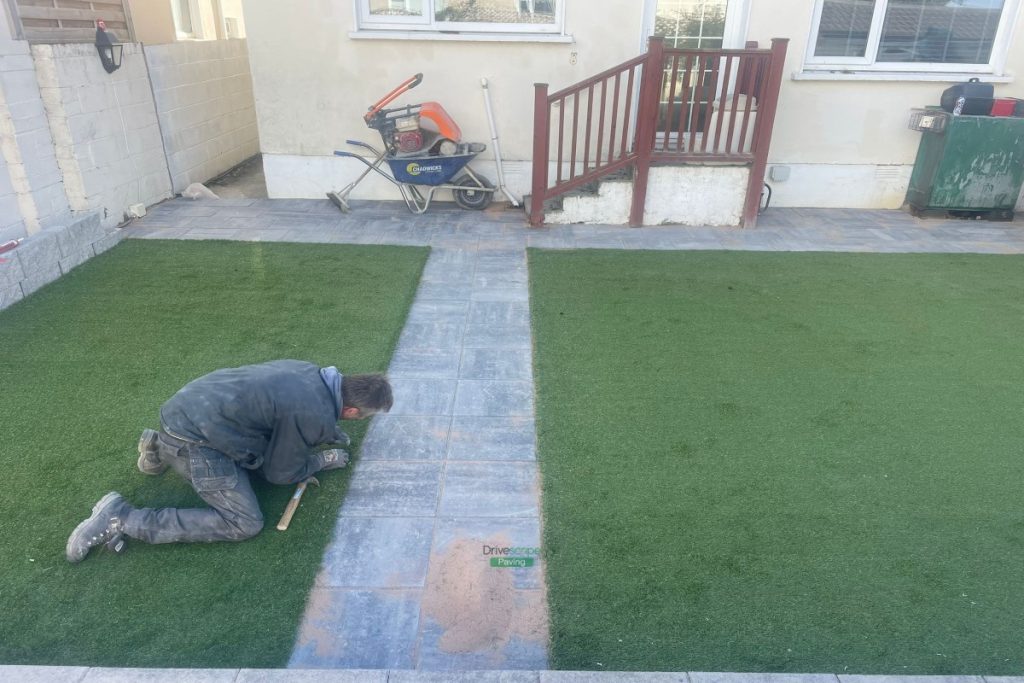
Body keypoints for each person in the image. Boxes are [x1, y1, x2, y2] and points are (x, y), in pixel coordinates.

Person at [66, 359, 393, 563]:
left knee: (260, 451)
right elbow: (281, 472)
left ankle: (157, 446)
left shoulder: (310, 372)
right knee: (244, 523)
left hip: (188, 406)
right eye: (361, 417)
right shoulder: (313, 413)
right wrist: (319, 460)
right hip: (195, 439)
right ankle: (121, 519)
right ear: (351, 410)